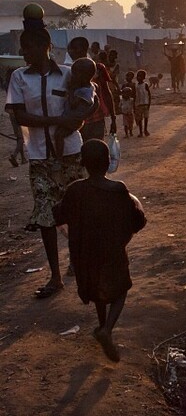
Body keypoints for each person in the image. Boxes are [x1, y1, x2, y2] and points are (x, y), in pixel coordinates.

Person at [5, 18, 86, 298]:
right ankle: (55, 276)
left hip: (71, 154)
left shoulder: (68, 74)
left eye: (28, 47)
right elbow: (20, 115)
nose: (24, 53)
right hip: (40, 155)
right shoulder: (19, 77)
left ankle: (75, 261)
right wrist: (57, 121)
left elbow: (83, 108)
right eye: (23, 48)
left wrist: (72, 121)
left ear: (45, 47)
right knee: (46, 217)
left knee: (74, 213)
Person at [53, 139, 146, 362]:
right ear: (108, 162)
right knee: (121, 290)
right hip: (112, 255)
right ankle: (107, 329)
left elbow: (59, 213)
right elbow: (138, 220)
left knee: (97, 292)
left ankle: (102, 324)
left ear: (83, 162)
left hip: (83, 258)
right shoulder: (119, 190)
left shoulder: (75, 190)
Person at [67, 37, 117, 142]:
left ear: (82, 49)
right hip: (78, 120)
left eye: (72, 49)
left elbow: (106, 93)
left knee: (95, 150)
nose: (70, 52)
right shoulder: (68, 71)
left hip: (96, 119)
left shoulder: (98, 68)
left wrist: (113, 118)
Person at [54, 57, 97, 162]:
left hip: (73, 120)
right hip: (73, 118)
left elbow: (73, 104)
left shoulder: (84, 91)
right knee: (58, 134)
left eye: (75, 74)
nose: (72, 76)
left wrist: (71, 90)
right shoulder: (90, 87)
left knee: (59, 135)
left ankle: (58, 158)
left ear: (84, 76)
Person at [134, 70, 151, 137]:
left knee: (146, 118)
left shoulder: (145, 85)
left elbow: (149, 95)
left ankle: (145, 130)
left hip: (145, 104)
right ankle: (141, 132)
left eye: (140, 76)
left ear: (144, 77)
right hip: (139, 104)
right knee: (140, 119)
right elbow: (135, 95)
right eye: (138, 76)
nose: (138, 77)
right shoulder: (136, 86)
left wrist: (149, 103)